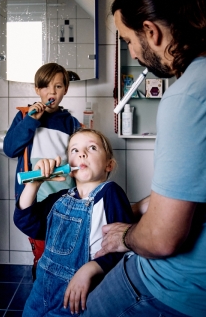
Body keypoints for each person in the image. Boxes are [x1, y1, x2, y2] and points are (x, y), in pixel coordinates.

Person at [81, 0, 206, 316]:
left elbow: (161, 240)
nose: (132, 52)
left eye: (129, 40)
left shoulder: (190, 96)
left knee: (90, 307)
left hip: (182, 292)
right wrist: (135, 209)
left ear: (151, 31)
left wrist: (127, 237)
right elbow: (195, 189)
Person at [14, 128, 135, 316]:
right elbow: (26, 222)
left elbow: (124, 247)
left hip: (79, 299)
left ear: (108, 165)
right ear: (69, 167)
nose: (82, 154)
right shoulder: (60, 198)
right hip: (40, 295)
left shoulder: (110, 193)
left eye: (92, 148)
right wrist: (34, 184)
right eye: (74, 150)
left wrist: (90, 269)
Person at [3, 63, 82, 280]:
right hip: (34, 196)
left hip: (63, 196)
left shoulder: (71, 123)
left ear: (66, 89)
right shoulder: (24, 117)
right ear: (37, 89)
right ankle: (41, 274)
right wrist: (30, 121)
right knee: (41, 245)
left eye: (58, 87)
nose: (52, 92)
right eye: (46, 87)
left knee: (64, 245)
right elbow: (10, 149)